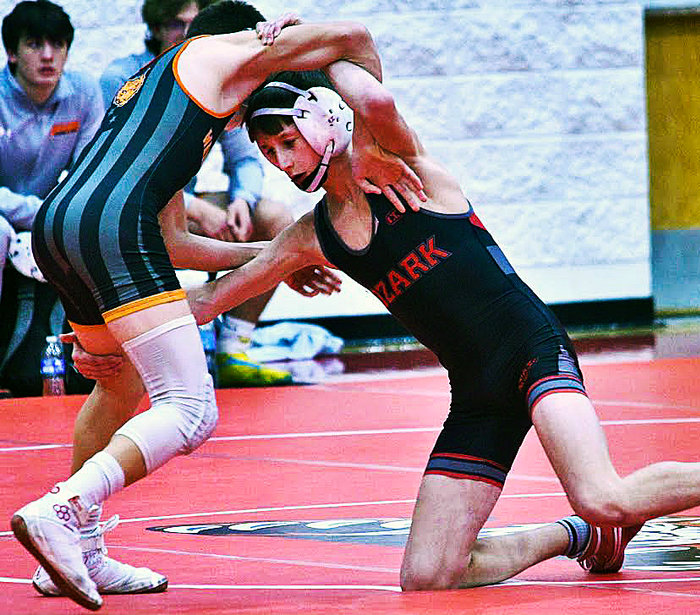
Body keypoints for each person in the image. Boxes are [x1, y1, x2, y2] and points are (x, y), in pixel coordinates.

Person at [186, 39, 700, 590]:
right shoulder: (314, 234)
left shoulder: (406, 169)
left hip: (532, 348)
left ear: (322, 118)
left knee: (602, 488)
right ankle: (582, 536)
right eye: (268, 152)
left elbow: (373, 93)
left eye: (286, 142)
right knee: (429, 573)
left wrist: (305, 44)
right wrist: (110, 323)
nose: (280, 162)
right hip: (476, 391)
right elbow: (216, 295)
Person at [10, 3, 421, 610]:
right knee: (191, 409)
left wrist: (279, 253)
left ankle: (81, 554)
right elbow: (356, 36)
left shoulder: (159, 91)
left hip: (60, 228)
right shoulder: (222, 55)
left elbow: (173, 241)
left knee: (118, 385)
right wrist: (367, 145)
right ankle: (61, 509)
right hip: (110, 231)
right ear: (246, 39)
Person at [100, 0, 298, 388]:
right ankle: (131, 347)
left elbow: (244, 157)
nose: (185, 34)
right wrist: (288, 256)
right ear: (156, 28)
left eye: (193, 25)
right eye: (176, 24)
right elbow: (130, 170)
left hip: (164, 200)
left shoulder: (218, 76)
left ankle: (232, 346)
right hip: (138, 204)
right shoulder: (135, 77)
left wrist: (243, 200)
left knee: (275, 219)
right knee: (185, 407)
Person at [0, 0, 102, 311]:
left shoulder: (84, 91)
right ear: (12, 53)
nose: (48, 55)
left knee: (102, 227)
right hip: (11, 214)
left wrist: (57, 217)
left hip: (51, 217)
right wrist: (42, 214)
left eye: (57, 45)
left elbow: (90, 174)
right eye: (34, 44)